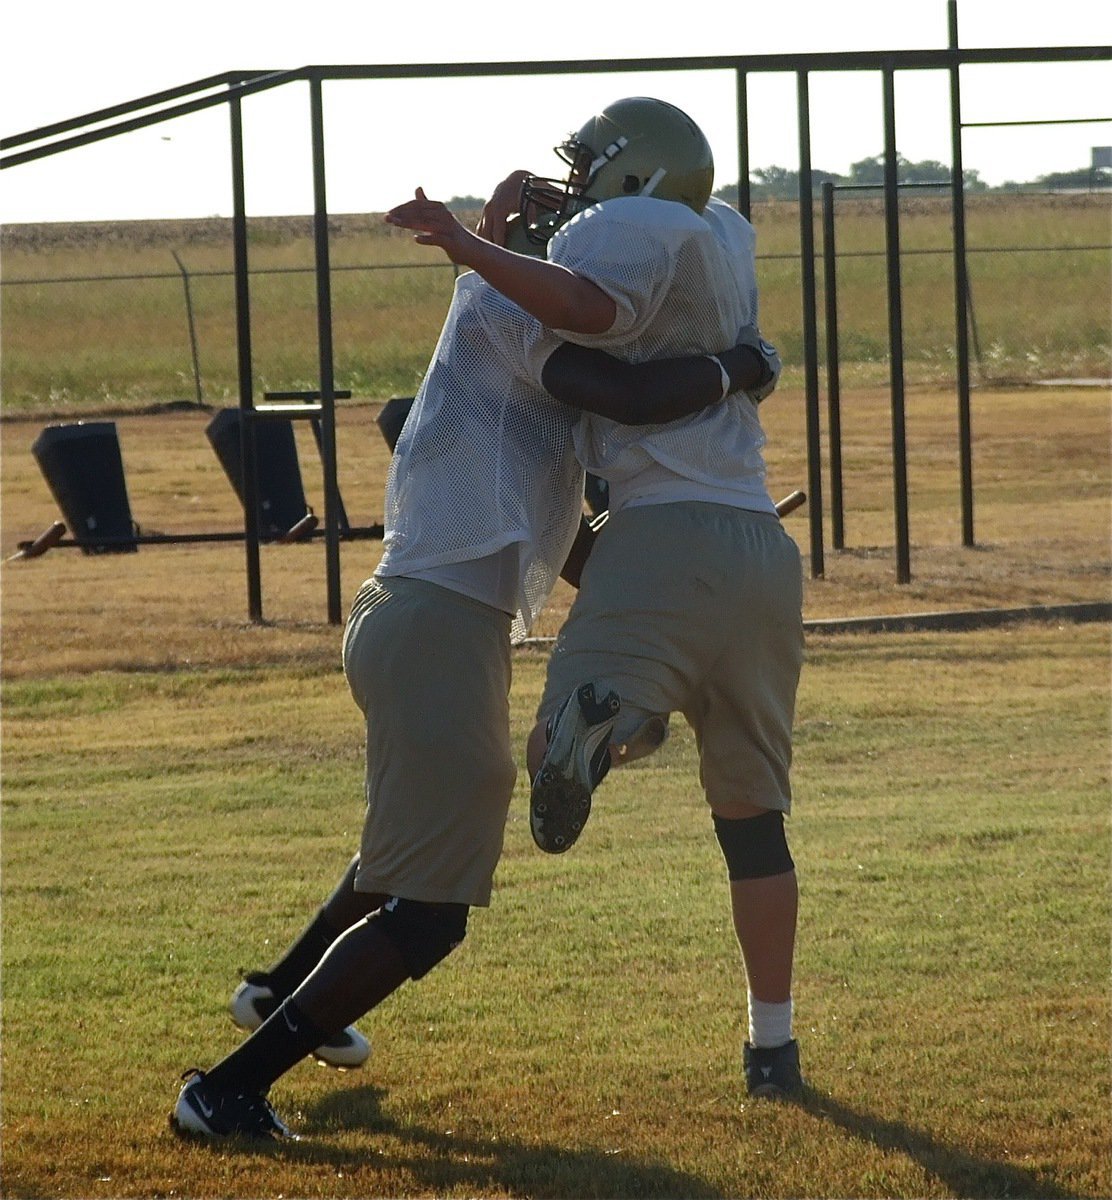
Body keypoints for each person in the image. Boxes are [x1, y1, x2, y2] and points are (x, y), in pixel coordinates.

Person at [169, 141, 782, 1138]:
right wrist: (739, 364)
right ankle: (229, 1087)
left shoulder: (502, 320)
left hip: (420, 617)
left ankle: (272, 993)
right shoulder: (504, 309)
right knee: (429, 911)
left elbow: (571, 537)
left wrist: (656, 595)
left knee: (401, 853)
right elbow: (631, 395)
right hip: (434, 626)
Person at [487, 96, 808, 1100]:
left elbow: (604, 369)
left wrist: (486, 250)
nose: (573, 194)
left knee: (552, 746)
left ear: (631, 179)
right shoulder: (719, 239)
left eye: (589, 173)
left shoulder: (618, 244)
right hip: (759, 545)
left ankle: (613, 726)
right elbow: (711, 354)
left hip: (655, 532)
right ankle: (772, 1046)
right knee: (753, 821)